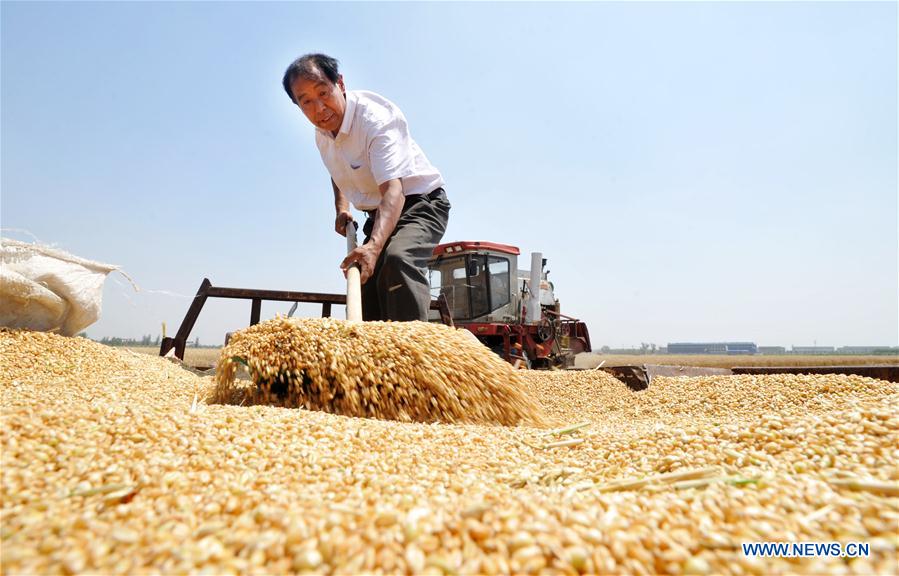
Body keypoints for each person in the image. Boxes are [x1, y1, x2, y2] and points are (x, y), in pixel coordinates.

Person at [282, 53, 450, 322]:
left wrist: (373, 246)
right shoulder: (322, 134)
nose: (320, 108)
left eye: (324, 93)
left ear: (340, 83)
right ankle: (374, 357)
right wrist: (342, 208)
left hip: (420, 203)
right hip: (378, 213)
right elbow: (338, 170)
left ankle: (414, 355)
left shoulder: (375, 120)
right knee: (364, 280)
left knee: (397, 260)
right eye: (307, 102)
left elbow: (394, 191)